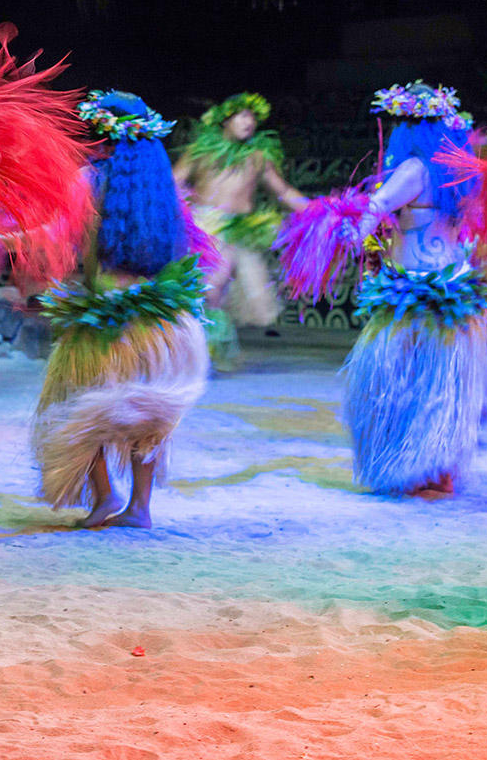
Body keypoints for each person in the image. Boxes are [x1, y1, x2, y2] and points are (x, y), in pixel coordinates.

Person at [34, 90, 208, 528]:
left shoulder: (87, 180)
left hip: (104, 320)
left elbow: (53, 233)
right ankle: (140, 506)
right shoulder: (159, 188)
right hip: (158, 323)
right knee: (144, 414)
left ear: (99, 136)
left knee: (72, 404)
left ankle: (105, 495)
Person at [343, 81, 487, 498]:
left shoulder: (411, 171)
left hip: (413, 294)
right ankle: (440, 471)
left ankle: (415, 470)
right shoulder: (458, 172)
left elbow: (369, 215)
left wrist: (353, 238)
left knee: (400, 384)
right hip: (455, 288)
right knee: (442, 389)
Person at [174, 93, 308, 361]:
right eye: (243, 115)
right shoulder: (201, 150)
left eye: (253, 117)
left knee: (226, 294)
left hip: (239, 230)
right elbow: (173, 181)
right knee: (211, 290)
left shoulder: (257, 157)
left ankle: (209, 349)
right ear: (226, 119)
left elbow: (282, 191)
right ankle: (201, 351)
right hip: (204, 226)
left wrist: (317, 210)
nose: (250, 122)